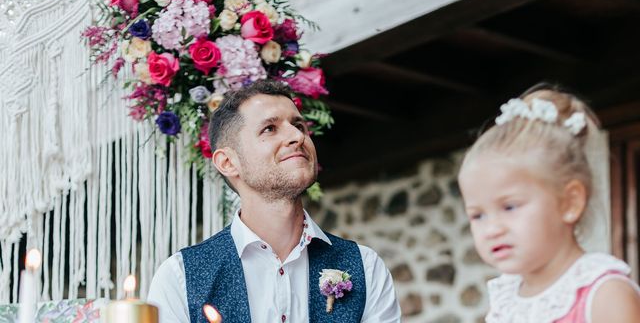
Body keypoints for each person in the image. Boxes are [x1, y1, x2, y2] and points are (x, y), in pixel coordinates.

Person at [148, 80, 401, 323]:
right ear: (228, 162)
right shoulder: (179, 277)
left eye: (299, 126)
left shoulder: (365, 267)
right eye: (269, 128)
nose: (297, 136)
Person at [458, 86, 640, 322]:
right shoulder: (505, 301)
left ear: (570, 202)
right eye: (477, 216)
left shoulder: (605, 294)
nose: (492, 229)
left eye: (509, 207)